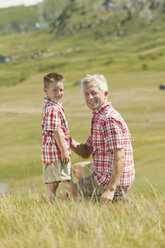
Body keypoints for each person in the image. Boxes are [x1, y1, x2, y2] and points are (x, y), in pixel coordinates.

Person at [70, 74, 135, 203]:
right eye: (86, 94)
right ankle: (108, 198)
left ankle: (112, 197)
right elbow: (86, 152)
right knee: (77, 169)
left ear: (105, 93)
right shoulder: (99, 116)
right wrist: (66, 139)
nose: (90, 98)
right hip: (104, 168)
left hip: (113, 177)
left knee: (67, 195)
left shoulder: (108, 119)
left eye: (94, 93)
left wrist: (110, 190)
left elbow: (120, 156)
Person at [41, 72, 76, 202]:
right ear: (46, 91)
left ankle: (50, 206)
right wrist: (64, 151)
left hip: (51, 152)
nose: (59, 93)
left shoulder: (53, 106)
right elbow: (56, 131)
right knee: (67, 180)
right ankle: (80, 203)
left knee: (53, 183)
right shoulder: (52, 109)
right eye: (55, 90)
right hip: (56, 152)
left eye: (61, 90)